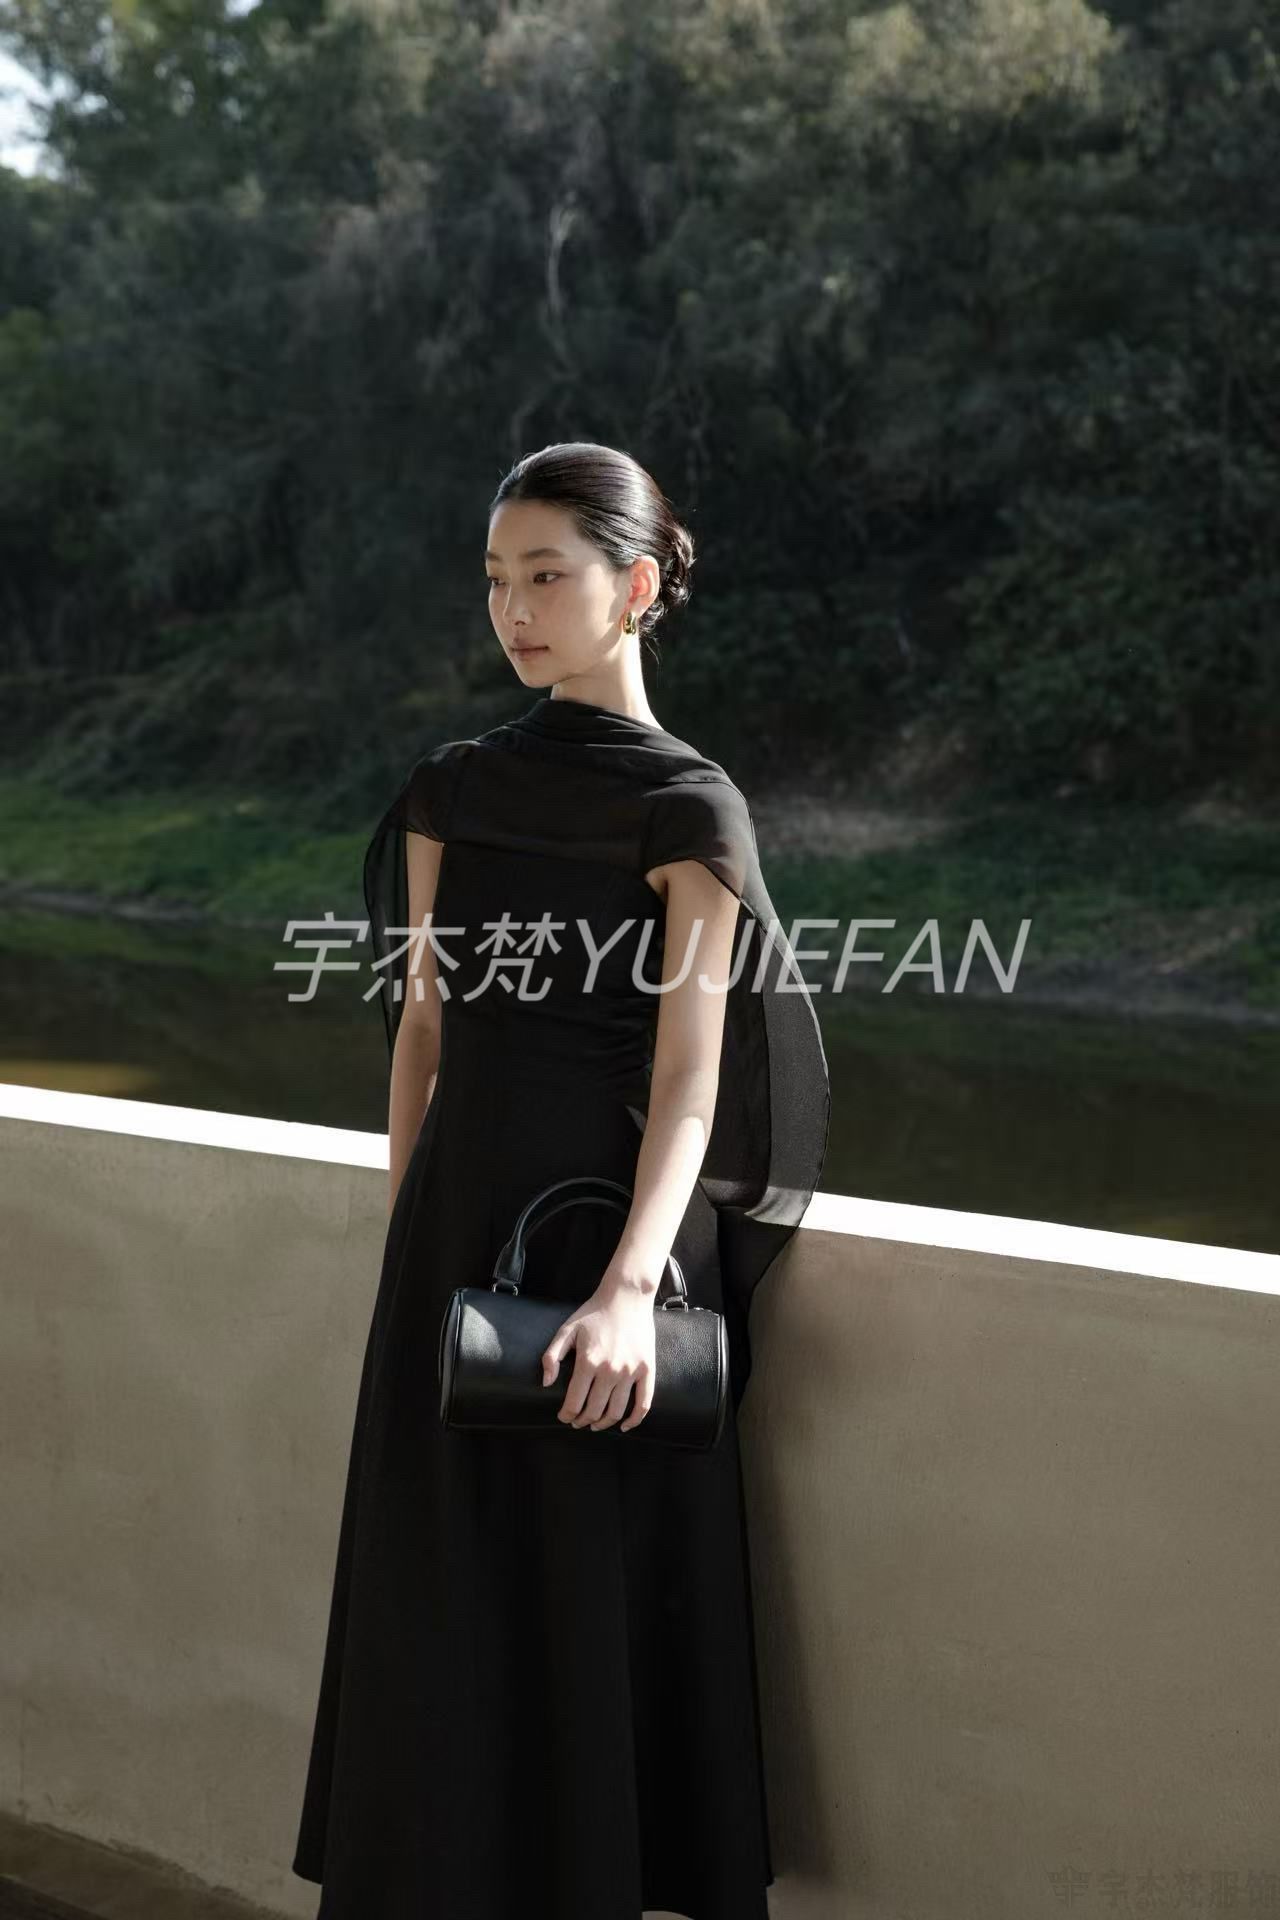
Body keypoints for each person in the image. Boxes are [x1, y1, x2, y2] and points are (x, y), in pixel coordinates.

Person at [291, 441, 830, 1920]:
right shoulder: (451, 788)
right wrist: (412, 1228)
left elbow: (693, 1080)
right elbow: (421, 1030)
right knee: (442, 1598)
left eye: (547, 575)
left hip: (609, 1242)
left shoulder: (690, 809)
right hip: (454, 1231)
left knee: (588, 1597)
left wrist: (629, 1290)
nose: (513, 610)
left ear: (635, 587)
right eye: (495, 580)